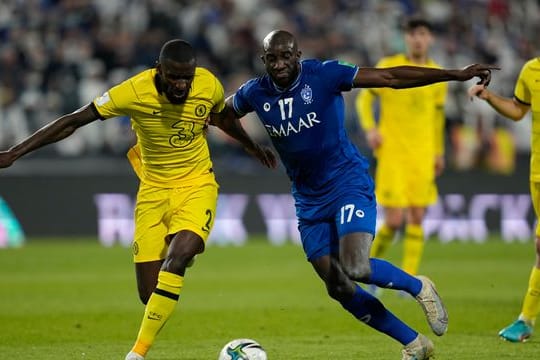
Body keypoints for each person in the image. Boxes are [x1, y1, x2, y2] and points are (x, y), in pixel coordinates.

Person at [211, 29, 497, 360]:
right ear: (263, 60)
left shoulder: (325, 74)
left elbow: (390, 77)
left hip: (347, 183)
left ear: (298, 55)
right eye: (272, 58)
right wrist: (252, 146)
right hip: (308, 200)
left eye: (286, 56)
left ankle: (418, 286)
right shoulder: (254, 92)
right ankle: (415, 344)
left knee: (356, 266)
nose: (279, 64)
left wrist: (454, 74)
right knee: (338, 285)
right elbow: (221, 115)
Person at [0, 39, 276, 360]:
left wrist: (251, 145)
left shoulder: (208, 84)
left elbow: (221, 117)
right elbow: (74, 121)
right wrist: (14, 153)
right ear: (159, 71)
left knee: (179, 255)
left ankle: (137, 353)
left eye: (187, 77)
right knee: (150, 295)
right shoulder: (132, 92)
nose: (182, 85)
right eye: (175, 77)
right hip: (153, 190)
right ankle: (179, 257)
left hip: (197, 183)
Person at [355, 17, 447, 287]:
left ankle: (408, 280)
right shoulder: (388, 67)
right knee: (394, 220)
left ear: (429, 38)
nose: (417, 39)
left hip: (423, 153)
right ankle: (365, 269)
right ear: (405, 38)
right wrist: (370, 129)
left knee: (418, 215)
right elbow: (364, 98)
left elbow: (437, 117)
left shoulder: (436, 74)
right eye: (412, 34)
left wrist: (438, 152)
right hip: (393, 152)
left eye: (422, 33)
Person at [468, 57, 540, 343]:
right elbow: (518, 110)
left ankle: (526, 319)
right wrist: (488, 96)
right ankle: (526, 321)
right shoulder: (531, 70)